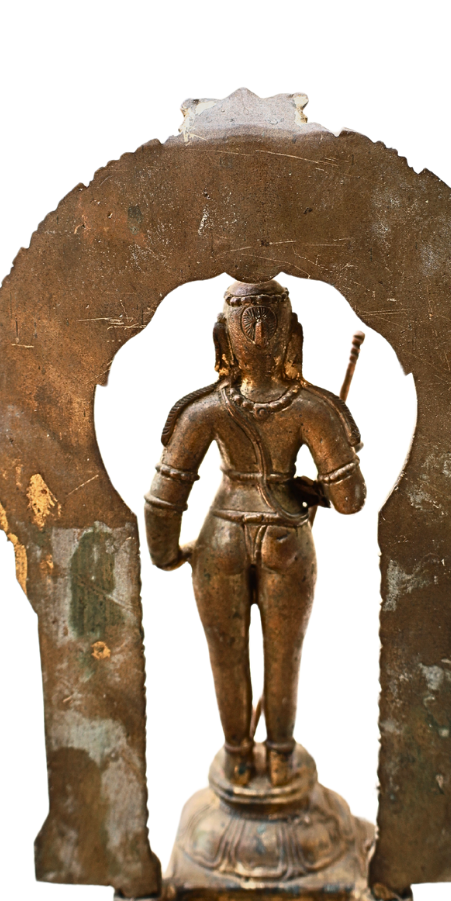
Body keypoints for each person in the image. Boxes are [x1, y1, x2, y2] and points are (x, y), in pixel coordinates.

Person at [144, 279, 366, 787]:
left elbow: (162, 500)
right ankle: (281, 756)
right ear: (294, 336)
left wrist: (167, 554)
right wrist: (319, 485)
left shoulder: (202, 410)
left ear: (222, 338)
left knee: (226, 657)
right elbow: (350, 499)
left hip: (219, 538)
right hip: (286, 538)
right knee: (284, 657)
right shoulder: (313, 408)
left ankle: (239, 756)